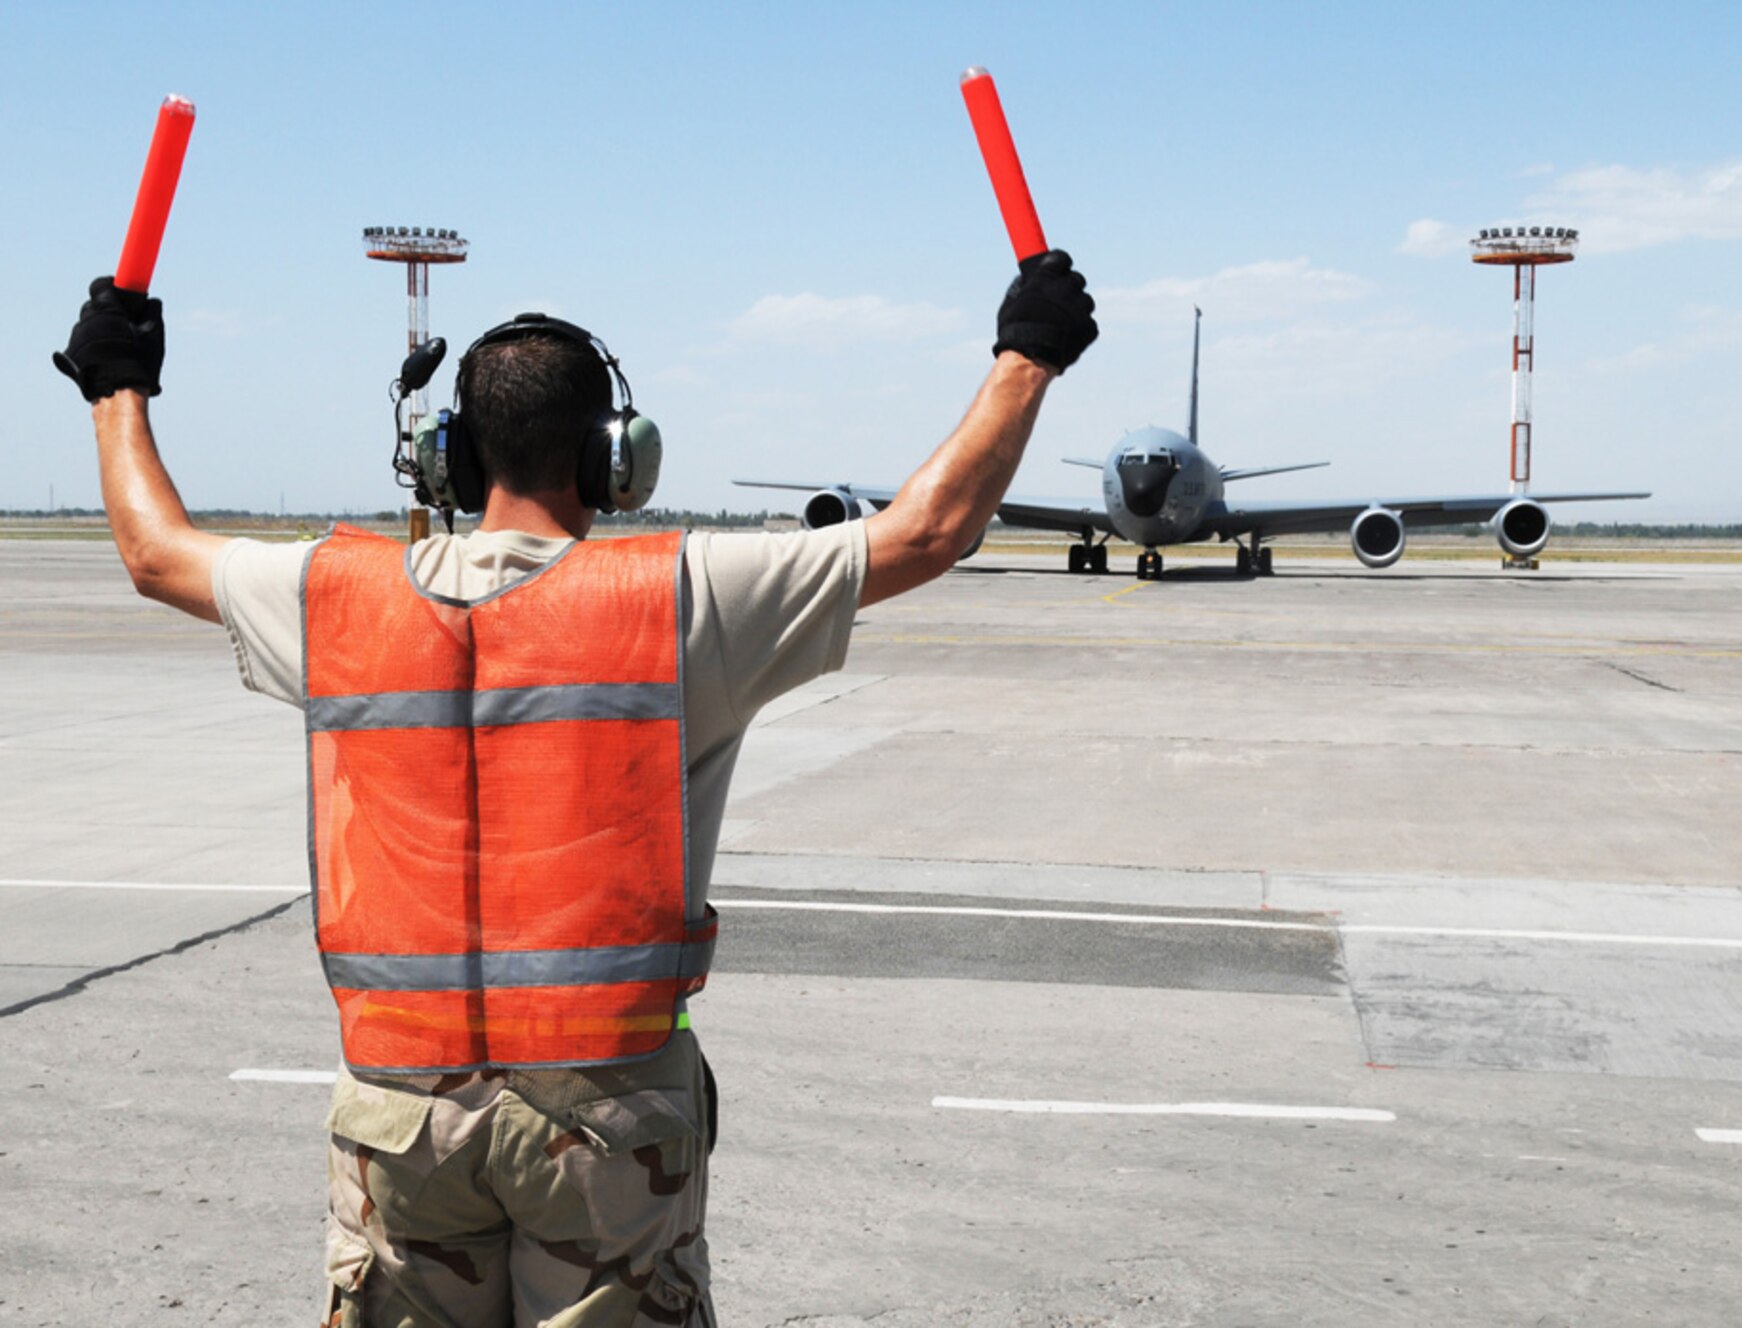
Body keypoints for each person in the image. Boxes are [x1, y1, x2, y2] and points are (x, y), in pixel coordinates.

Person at [54, 253, 1097, 1326]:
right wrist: (1028, 357)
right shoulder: (683, 596)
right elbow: (928, 530)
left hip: (401, 1108)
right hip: (608, 1115)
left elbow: (153, 551)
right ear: (617, 462)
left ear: (447, 458)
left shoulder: (333, 596)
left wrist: (114, 387)